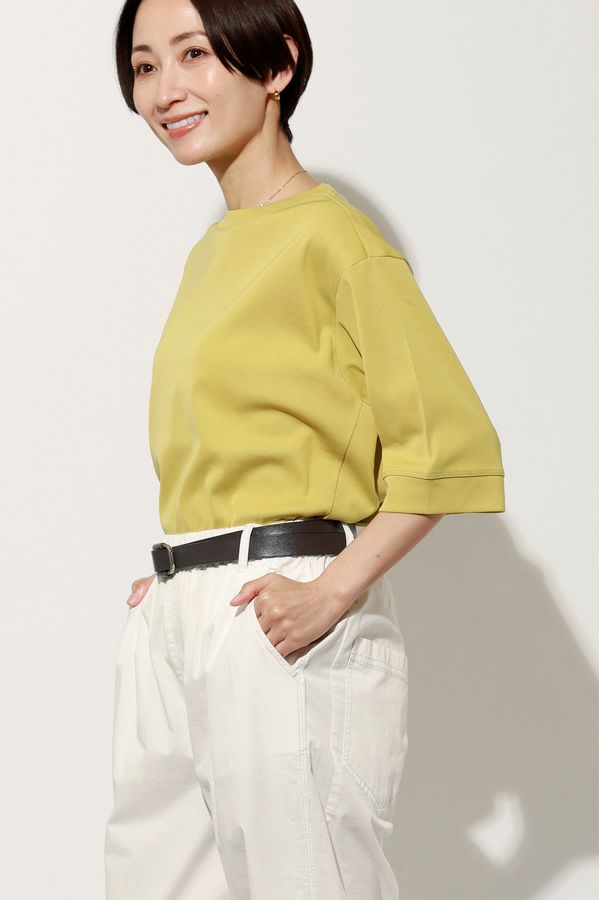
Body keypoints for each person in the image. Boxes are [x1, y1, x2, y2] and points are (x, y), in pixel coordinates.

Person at [104, 0, 506, 897]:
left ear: (278, 63)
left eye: (194, 55)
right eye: (145, 66)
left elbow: (448, 449)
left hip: (278, 616)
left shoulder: (336, 240)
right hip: (184, 615)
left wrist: (330, 591)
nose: (166, 90)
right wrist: (183, 573)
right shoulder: (212, 254)